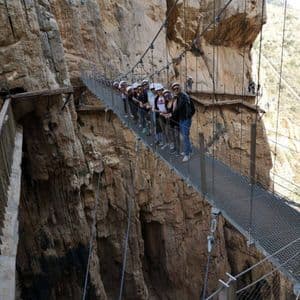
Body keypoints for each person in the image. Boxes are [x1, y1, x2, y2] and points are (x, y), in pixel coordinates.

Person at [171, 82, 195, 162]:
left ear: (180, 88)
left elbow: (178, 108)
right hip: (182, 119)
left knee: (185, 137)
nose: (176, 90)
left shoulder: (183, 97)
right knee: (184, 136)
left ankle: (187, 154)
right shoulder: (179, 97)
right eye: (174, 89)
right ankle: (189, 150)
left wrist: (171, 114)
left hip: (185, 119)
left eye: (177, 88)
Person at [154, 84, 169, 148]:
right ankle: (166, 142)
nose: (159, 92)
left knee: (168, 129)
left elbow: (169, 106)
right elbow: (155, 108)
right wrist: (160, 112)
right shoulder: (156, 98)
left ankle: (170, 142)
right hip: (160, 116)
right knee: (163, 129)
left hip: (167, 115)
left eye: (160, 90)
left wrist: (166, 112)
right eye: (158, 91)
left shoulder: (166, 97)